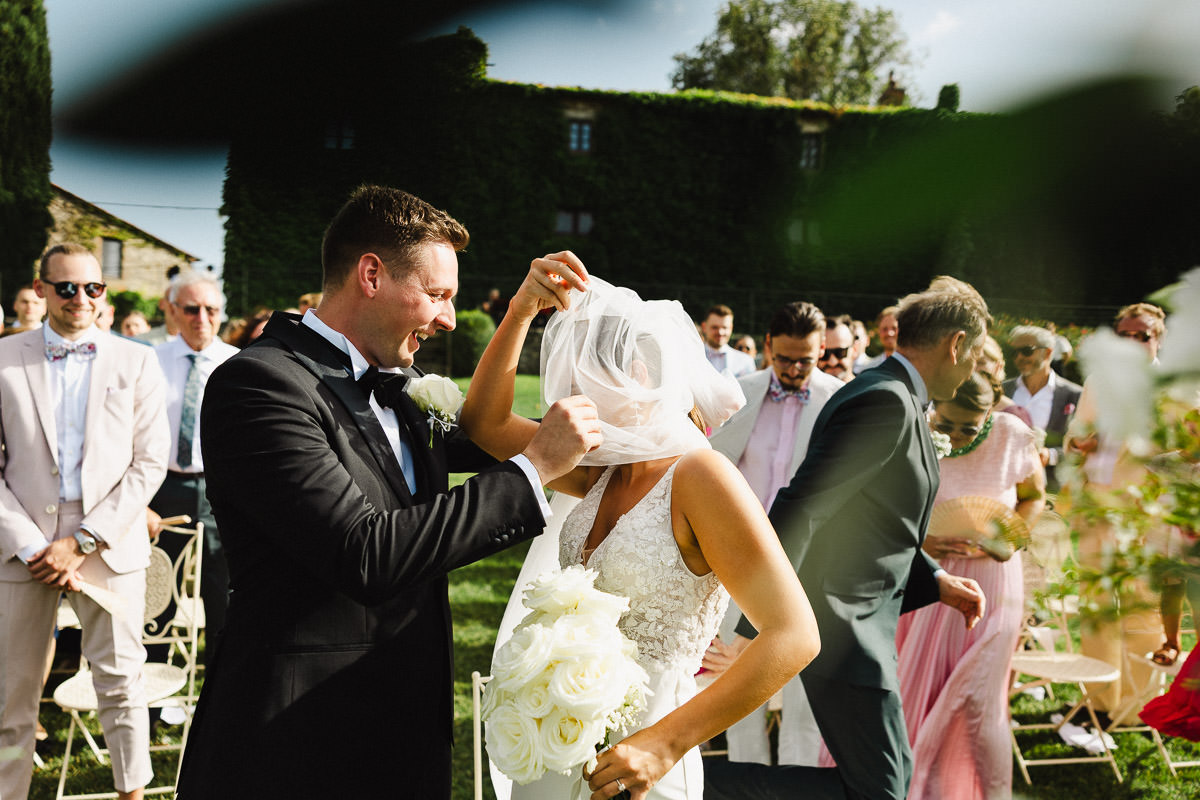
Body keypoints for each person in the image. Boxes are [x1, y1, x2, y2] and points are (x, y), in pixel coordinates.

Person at [174, 186, 601, 798]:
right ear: (371, 274)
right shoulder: (259, 386)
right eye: (437, 295)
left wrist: (526, 316)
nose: (449, 319)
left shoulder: (406, 386)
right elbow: (365, 552)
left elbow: (490, 431)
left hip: (405, 730)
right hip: (298, 746)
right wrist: (533, 470)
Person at [461, 262, 819, 800]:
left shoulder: (701, 476)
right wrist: (519, 314)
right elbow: (484, 424)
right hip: (560, 747)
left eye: (583, 376)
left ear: (637, 373)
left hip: (644, 765)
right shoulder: (601, 473)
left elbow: (795, 634)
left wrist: (665, 744)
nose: (567, 396)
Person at [713, 276, 990, 800]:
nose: (975, 366)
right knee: (882, 789)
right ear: (956, 345)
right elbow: (804, 507)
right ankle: (688, 786)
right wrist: (754, 629)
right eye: (975, 353)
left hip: (857, 624)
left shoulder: (894, 394)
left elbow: (875, 518)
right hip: (841, 627)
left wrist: (936, 580)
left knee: (887, 782)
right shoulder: (885, 401)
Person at [0, 243, 170, 800]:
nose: (81, 299)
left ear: (104, 293)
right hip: (21, 542)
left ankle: (132, 794)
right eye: (67, 287)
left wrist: (83, 539)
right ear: (42, 286)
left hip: (109, 540)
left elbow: (149, 463)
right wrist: (30, 545)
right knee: (12, 696)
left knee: (122, 684)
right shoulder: (5, 358)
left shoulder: (137, 360)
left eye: (92, 288)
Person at [895, 372, 1046, 800]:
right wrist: (922, 541)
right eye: (947, 424)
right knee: (923, 684)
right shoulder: (912, 432)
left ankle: (983, 791)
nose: (957, 435)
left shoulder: (1012, 435)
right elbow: (889, 509)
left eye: (970, 426)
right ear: (934, 406)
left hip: (996, 580)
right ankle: (916, 786)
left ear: (991, 410)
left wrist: (1010, 539)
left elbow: (1034, 494)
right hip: (932, 577)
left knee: (980, 694)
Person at [706, 301, 844, 768]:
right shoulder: (737, 394)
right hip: (739, 566)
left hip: (813, 567)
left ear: (821, 349)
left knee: (805, 698)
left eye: (804, 359)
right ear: (767, 346)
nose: (794, 369)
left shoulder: (841, 399)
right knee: (739, 692)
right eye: (784, 358)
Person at [1064, 302, 1169, 724]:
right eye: (1123, 336)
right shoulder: (1097, 380)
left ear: (1157, 339)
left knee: (1142, 608)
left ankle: (1138, 707)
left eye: (1141, 336)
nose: (1131, 343)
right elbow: (1075, 435)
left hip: (1146, 513)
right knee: (1097, 607)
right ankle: (1100, 699)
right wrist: (1080, 443)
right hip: (1095, 506)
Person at [150, 272, 239, 657]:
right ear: (172, 310)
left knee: (220, 588)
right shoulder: (150, 361)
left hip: (220, 490)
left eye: (211, 309)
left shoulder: (240, 366)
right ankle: (156, 687)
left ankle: (220, 685)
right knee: (160, 591)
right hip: (162, 488)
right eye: (191, 308)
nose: (201, 317)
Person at [1003, 324, 1082, 493]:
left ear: (1047, 352)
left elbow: (1081, 446)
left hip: (1052, 489)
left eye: (1026, 351)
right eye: (1014, 352)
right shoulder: (1002, 390)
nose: (1018, 358)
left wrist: (1050, 455)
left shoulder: (1074, 395)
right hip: (1004, 485)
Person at [700, 303, 756, 378]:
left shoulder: (746, 361)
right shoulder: (691, 357)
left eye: (725, 327)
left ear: (731, 328)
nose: (720, 332)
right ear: (704, 327)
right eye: (714, 327)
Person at [857, 306, 898, 373]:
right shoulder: (868, 369)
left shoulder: (916, 367)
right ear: (879, 331)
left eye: (894, 328)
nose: (889, 333)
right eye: (885, 329)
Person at [816, 316, 854, 382]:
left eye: (840, 352)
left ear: (854, 350)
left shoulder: (868, 390)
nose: (832, 362)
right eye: (825, 354)